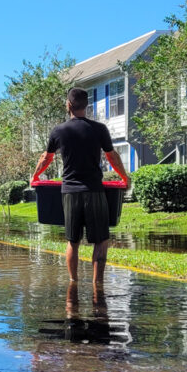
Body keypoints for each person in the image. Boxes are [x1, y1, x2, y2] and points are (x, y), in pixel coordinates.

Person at [32, 87, 130, 298]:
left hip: (70, 192)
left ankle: (73, 286)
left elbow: (46, 158)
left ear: (68, 105)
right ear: (86, 106)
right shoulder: (100, 129)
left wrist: (35, 176)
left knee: (72, 241)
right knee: (101, 240)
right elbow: (112, 157)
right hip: (94, 191)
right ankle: (98, 287)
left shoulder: (58, 131)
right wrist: (125, 178)